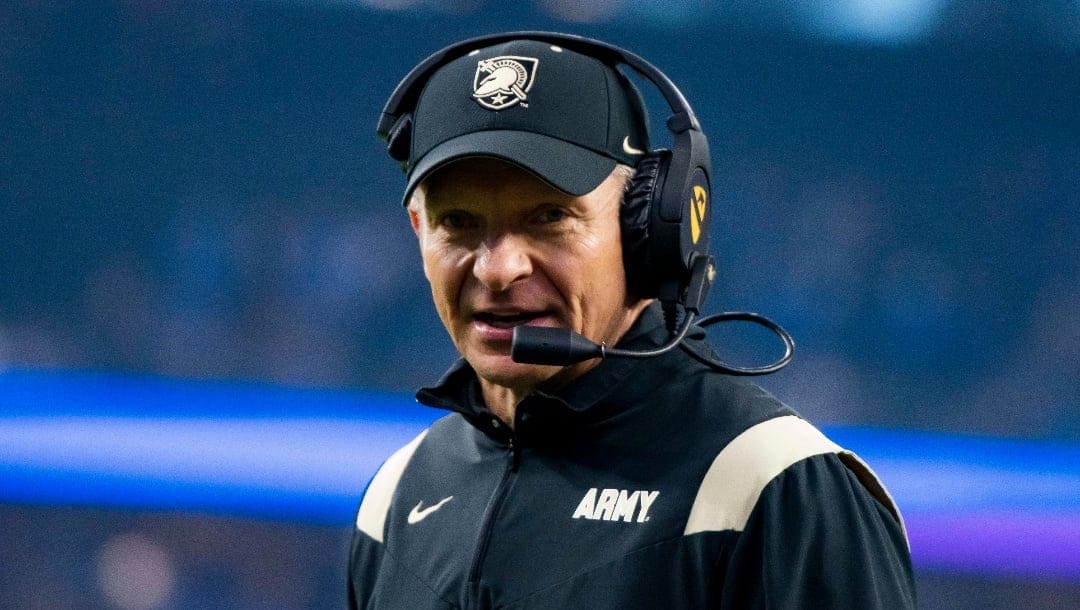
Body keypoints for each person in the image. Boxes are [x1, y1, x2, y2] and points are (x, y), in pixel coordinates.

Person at [348, 32, 916, 609]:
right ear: (419, 232)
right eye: (459, 222)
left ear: (648, 230)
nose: (499, 269)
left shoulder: (771, 486)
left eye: (550, 217)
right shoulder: (395, 496)